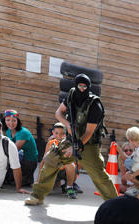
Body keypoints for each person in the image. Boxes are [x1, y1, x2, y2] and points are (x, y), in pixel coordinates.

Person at [25, 73, 117, 206]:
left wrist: (75, 147)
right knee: (51, 160)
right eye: (79, 85)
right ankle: (37, 196)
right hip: (70, 138)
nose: (81, 89)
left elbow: (89, 132)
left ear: (89, 87)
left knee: (99, 175)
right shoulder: (71, 95)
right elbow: (58, 113)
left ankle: (115, 205)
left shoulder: (95, 105)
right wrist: (67, 124)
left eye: (85, 87)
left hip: (89, 145)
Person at [38, 122, 81, 198]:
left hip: (65, 171)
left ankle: (69, 187)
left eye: (62, 133)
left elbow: (78, 161)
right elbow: (44, 160)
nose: (59, 136)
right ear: (53, 133)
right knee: (46, 190)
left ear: (66, 134)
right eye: (56, 133)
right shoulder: (50, 143)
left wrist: (76, 174)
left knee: (70, 165)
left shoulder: (70, 144)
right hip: (54, 170)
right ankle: (54, 182)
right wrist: (39, 181)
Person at [2, 109, 39, 187]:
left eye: (14, 120)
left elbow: (14, 150)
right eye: (8, 120)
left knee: (15, 182)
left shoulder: (23, 132)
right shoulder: (9, 130)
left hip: (29, 161)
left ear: (17, 121)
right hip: (21, 156)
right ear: (4, 121)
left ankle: (27, 178)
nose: (11, 123)